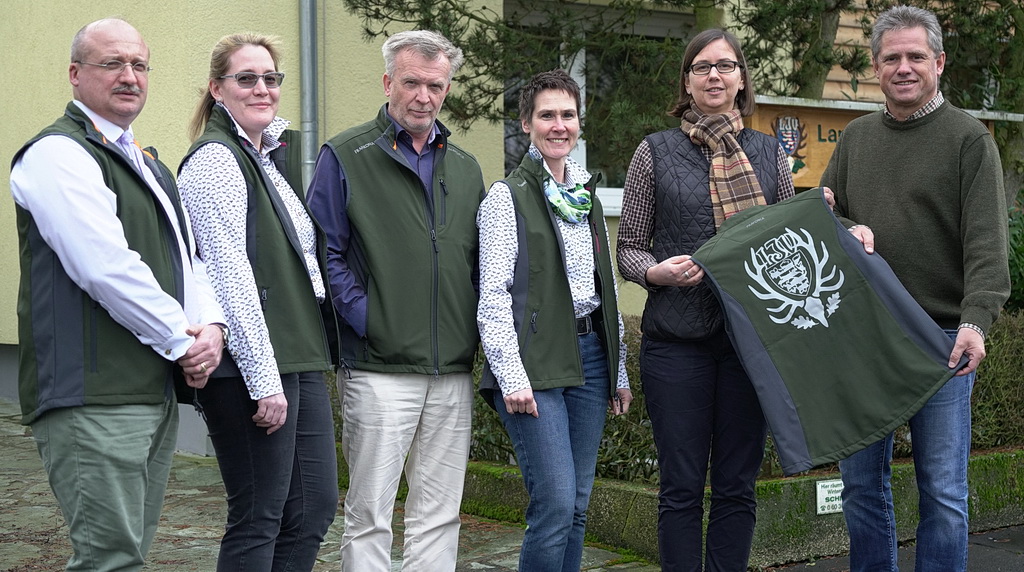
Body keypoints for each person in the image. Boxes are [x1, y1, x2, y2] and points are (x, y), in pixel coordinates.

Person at [9, 18, 227, 571]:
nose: (129, 76)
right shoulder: (56, 154)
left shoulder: (148, 163)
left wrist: (210, 331)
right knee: (109, 560)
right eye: (113, 64)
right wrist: (182, 339)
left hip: (146, 391)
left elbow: (188, 259)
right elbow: (103, 267)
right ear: (76, 75)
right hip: (91, 395)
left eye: (139, 65)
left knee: (127, 556)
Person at [821, 6, 1010, 571]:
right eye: (892, 58)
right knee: (860, 490)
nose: (904, 67)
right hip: (864, 340)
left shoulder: (968, 140)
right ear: (876, 68)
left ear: (939, 63)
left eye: (916, 57)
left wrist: (976, 323)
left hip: (941, 342)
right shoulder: (855, 139)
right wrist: (836, 219)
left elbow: (986, 247)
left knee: (945, 497)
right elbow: (824, 224)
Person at [616, 29, 796, 572]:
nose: (714, 75)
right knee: (681, 490)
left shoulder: (769, 154)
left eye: (725, 66)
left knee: (738, 488)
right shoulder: (655, 152)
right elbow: (627, 246)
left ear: (742, 79)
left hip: (750, 346)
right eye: (701, 67)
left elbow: (791, 241)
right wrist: (656, 273)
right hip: (677, 346)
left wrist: (842, 227)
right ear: (687, 82)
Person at [307, 30, 484, 571]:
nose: (423, 96)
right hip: (378, 368)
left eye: (435, 85)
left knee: (439, 515)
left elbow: (478, 264)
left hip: (450, 370)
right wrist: (372, 321)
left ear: (447, 89)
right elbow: (325, 255)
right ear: (388, 82)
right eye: (411, 82)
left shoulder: (467, 168)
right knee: (370, 515)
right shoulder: (344, 155)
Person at [177, 33, 339, 571]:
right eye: (247, 78)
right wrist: (264, 380)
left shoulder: (267, 157)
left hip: (297, 351)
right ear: (217, 89)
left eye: (271, 78)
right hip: (251, 365)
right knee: (258, 518)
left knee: (312, 511)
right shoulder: (216, 159)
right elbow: (229, 275)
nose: (262, 88)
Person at [476, 69, 633, 571]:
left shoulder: (584, 195)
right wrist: (511, 375)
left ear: (579, 124)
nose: (558, 125)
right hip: (534, 364)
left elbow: (602, 288)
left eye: (568, 115)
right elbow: (493, 296)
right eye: (547, 115)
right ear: (526, 124)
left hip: (589, 359)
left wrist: (619, 370)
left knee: (580, 507)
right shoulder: (507, 196)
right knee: (556, 504)